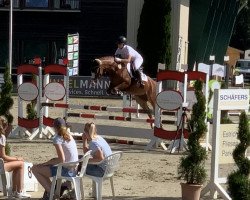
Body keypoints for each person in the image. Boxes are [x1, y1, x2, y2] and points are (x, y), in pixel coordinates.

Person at [32, 118, 78, 200]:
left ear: (54, 127)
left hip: (66, 169)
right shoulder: (69, 135)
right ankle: (51, 191)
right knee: (44, 168)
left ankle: (52, 195)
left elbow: (61, 159)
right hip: (74, 169)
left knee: (35, 169)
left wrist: (46, 163)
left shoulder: (57, 138)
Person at [0, 116, 31, 198]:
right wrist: (17, 158)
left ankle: (15, 191)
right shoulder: (1, 137)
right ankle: (19, 191)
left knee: (16, 165)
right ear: (5, 126)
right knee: (20, 163)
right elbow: (3, 156)